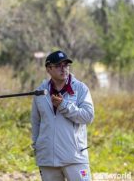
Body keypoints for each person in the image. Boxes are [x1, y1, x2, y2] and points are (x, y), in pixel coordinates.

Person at [31, 50, 94, 181]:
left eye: (66, 65)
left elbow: (88, 116)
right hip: (48, 160)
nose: (63, 69)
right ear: (49, 69)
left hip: (75, 158)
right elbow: (36, 122)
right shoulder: (39, 92)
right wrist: (38, 147)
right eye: (58, 65)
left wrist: (64, 106)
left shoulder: (81, 89)